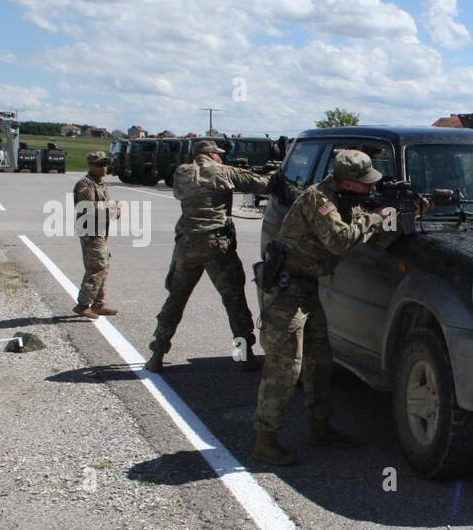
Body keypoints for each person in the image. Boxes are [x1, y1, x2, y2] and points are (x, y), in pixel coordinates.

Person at [251, 149, 421, 466]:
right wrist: (377, 215)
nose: (371, 188)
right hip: (286, 289)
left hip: (307, 287)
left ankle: (320, 428)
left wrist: (405, 214)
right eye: (365, 183)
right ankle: (265, 440)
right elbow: (339, 242)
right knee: (286, 366)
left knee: (320, 361)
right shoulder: (319, 200)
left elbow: (375, 239)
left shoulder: (348, 199)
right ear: (345, 180)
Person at [144, 140, 269, 373]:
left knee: (175, 300)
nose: (221, 158)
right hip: (216, 245)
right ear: (211, 154)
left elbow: (181, 193)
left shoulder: (182, 172)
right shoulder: (225, 172)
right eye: (218, 154)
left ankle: (157, 354)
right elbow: (263, 185)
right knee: (234, 301)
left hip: (187, 245)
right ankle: (243, 355)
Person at [72, 151, 120, 318]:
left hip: (100, 230)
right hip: (90, 231)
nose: (103, 168)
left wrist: (114, 210)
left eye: (105, 164)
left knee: (104, 266)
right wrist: (113, 207)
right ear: (90, 165)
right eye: (99, 164)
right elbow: (88, 209)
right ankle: (83, 304)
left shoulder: (101, 184)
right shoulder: (85, 184)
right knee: (97, 266)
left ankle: (98, 304)